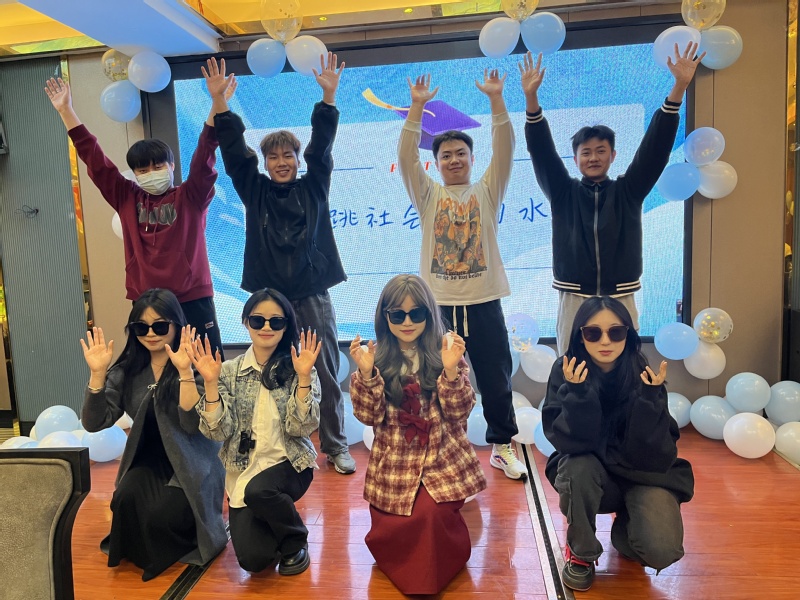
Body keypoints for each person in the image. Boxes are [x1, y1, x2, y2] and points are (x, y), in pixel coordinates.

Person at [207, 54, 355, 474]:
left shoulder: (315, 187)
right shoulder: (255, 190)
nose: (282, 162)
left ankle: (335, 446)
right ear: (266, 163)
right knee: (269, 372)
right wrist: (221, 103)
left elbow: (322, 148)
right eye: (273, 157)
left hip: (311, 293)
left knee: (324, 371)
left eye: (288, 155)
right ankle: (275, 444)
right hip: (269, 298)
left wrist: (328, 97)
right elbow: (235, 157)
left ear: (297, 159)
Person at [520, 43, 706, 354]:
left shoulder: (628, 191)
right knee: (571, 365)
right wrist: (531, 98)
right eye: (586, 152)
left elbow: (655, 149)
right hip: (574, 296)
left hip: (621, 294)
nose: (593, 157)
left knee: (625, 364)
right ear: (576, 159)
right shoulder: (563, 193)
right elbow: (542, 152)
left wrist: (679, 88)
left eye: (600, 151)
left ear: (613, 155)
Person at [46, 72, 234, 358]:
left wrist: (216, 102)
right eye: (142, 170)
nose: (151, 173)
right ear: (134, 174)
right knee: (149, 370)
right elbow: (94, 159)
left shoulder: (190, 196)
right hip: (147, 301)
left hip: (192, 297)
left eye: (158, 166)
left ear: (172, 166)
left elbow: (204, 156)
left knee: (206, 365)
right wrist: (66, 111)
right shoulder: (126, 196)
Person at [397, 71, 527, 481]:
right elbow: (405, 157)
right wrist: (417, 107)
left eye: (461, 154)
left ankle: (502, 446)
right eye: (446, 156)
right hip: (438, 307)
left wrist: (496, 100)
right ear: (435, 164)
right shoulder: (428, 195)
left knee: (495, 379)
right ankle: (439, 445)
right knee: (434, 382)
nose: (454, 160)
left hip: (484, 301)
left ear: (472, 158)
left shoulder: (487, 190)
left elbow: (505, 148)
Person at [541, 296, 694, 592]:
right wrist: (578, 394)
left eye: (616, 332)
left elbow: (657, 454)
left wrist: (650, 400)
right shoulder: (567, 370)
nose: (605, 341)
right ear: (580, 336)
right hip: (592, 472)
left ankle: (626, 527)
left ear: (628, 334)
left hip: (642, 473)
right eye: (593, 332)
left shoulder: (642, 372)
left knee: (661, 551)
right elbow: (571, 443)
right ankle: (581, 553)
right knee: (576, 467)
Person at [349, 274, 486, 595]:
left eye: (417, 313)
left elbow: (459, 412)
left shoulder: (445, 353)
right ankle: (403, 564)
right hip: (394, 462)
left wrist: (450, 371)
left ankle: (435, 570)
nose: (408, 322)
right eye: (398, 314)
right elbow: (368, 416)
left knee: (429, 515)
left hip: (441, 458)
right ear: (385, 317)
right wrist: (367, 375)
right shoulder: (375, 358)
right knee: (398, 516)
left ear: (429, 314)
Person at [79, 288, 227, 581]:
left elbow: (190, 425)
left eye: (160, 326)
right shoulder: (128, 370)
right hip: (149, 459)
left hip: (193, 461)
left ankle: (178, 539)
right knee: (124, 500)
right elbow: (94, 423)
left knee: (161, 516)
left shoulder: (196, 364)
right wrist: (97, 375)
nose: (150, 334)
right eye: (141, 327)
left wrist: (184, 372)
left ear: (176, 325)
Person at [188, 288, 321, 576]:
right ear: (246, 322)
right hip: (243, 470)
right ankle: (273, 517)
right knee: (254, 560)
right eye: (258, 320)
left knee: (260, 491)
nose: (266, 327)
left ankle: (295, 540)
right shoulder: (227, 371)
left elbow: (301, 428)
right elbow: (217, 432)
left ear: (286, 326)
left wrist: (303, 378)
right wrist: (210, 384)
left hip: (291, 464)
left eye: (276, 321)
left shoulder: (300, 366)